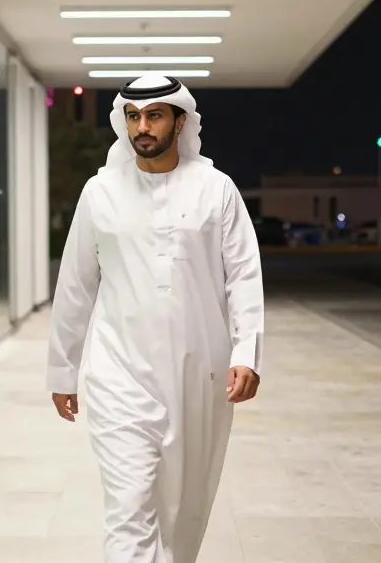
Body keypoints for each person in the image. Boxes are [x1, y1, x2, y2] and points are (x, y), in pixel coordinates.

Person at [47, 74, 265, 563]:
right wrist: (63, 370)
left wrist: (246, 353)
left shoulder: (216, 189)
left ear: (179, 121)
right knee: (128, 506)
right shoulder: (99, 191)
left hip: (198, 373)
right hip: (116, 372)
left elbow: (244, 277)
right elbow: (76, 286)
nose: (141, 127)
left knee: (184, 508)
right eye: (132, 116)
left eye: (154, 115)